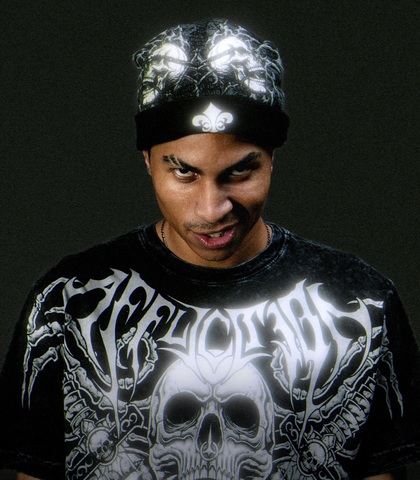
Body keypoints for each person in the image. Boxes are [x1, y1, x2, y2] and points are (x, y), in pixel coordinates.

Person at [0, 18, 419, 480]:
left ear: (272, 158)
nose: (212, 208)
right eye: (184, 172)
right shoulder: (68, 304)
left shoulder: (362, 307)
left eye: (239, 172)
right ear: (148, 160)